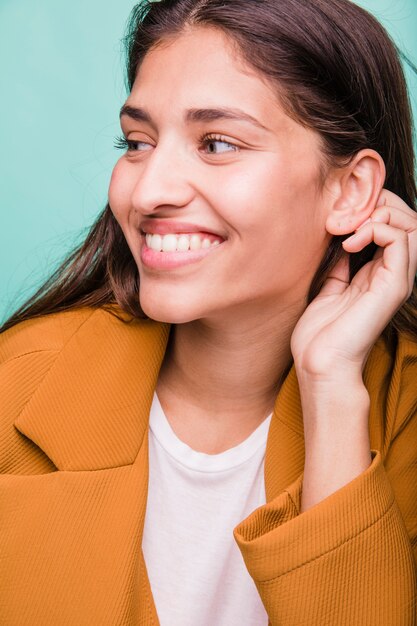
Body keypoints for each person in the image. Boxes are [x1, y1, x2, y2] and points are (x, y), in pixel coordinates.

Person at [1, 0, 416, 624]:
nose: (148, 191)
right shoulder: (17, 381)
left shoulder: (404, 408)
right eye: (137, 142)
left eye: (217, 144)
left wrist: (331, 388)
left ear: (350, 189)